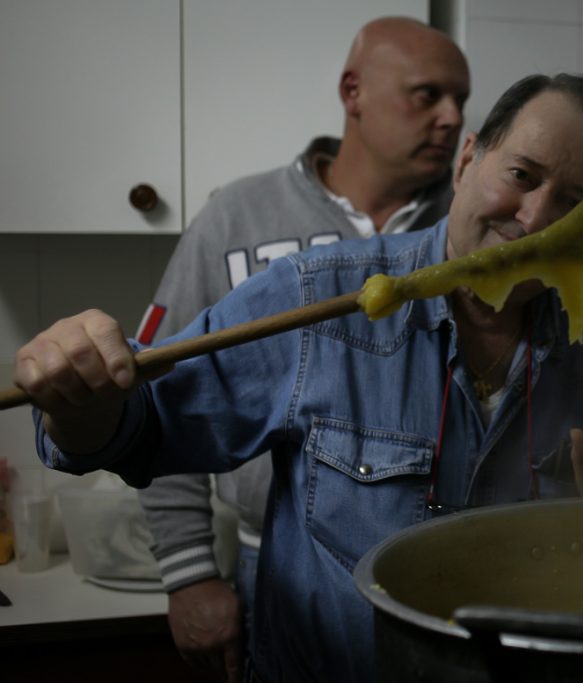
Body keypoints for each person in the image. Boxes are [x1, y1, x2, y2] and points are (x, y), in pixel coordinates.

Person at [17, 73, 583, 682]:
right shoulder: (319, 299)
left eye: (575, 203)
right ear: (469, 159)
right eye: (522, 175)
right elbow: (142, 426)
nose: (535, 219)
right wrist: (78, 398)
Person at [134, 16, 469, 682]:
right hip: (272, 567)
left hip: (448, 571)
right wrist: (188, 571)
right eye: (427, 95)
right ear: (353, 92)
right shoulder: (236, 217)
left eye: (461, 99)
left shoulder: (470, 230)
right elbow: (159, 389)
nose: (453, 117)